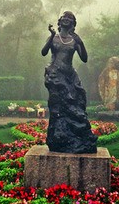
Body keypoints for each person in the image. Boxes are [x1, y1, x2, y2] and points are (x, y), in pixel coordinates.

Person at [41, 11, 98, 153]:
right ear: (60, 22)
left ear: (73, 23)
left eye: (70, 18)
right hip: (55, 75)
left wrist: (80, 42)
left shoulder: (74, 40)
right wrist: (51, 37)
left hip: (70, 76)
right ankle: (58, 136)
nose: (66, 19)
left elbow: (84, 58)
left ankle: (78, 136)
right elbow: (43, 52)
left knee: (78, 102)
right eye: (64, 17)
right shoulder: (54, 38)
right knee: (58, 106)